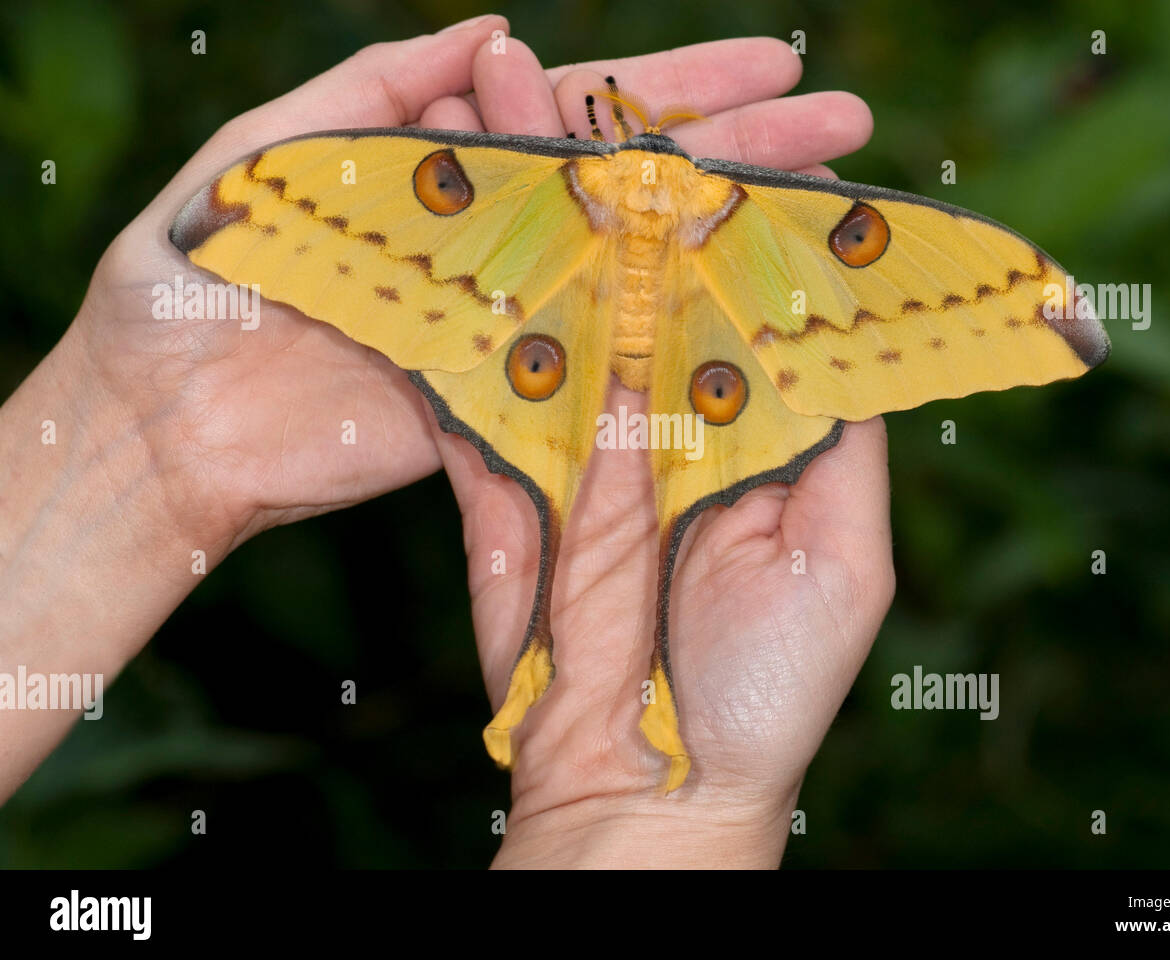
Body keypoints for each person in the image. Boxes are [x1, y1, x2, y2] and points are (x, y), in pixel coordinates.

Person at [0, 15, 894, 867]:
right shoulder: (576, 180)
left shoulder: (575, 178)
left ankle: (635, 734)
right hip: (564, 333)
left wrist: (125, 433)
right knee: (563, 507)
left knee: (623, 518)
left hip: (595, 331)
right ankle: (621, 738)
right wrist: (138, 424)